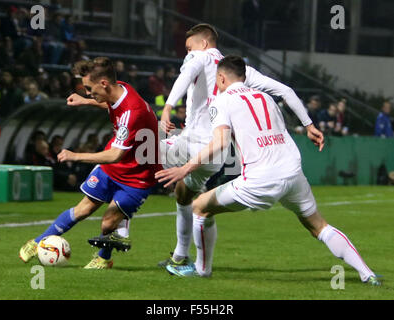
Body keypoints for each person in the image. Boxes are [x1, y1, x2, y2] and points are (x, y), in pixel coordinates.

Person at [156, 55, 381, 286]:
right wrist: (309, 125)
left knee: (199, 208)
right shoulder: (265, 97)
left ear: (221, 78)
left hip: (260, 178)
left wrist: (184, 168)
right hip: (293, 172)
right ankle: (367, 273)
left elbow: (220, 144)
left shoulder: (221, 103)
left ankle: (202, 270)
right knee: (319, 226)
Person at [157, 24, 318, 270]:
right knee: (186, 195)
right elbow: (285, 90)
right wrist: (308, 124)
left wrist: (167, 107)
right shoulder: (241, 72)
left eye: (189, 48)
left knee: (134, 152)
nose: (186, 54)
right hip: (215, 155)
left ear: (203, 44)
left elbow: (185, 76)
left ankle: (119, 230)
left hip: (191, 144)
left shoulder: (199, 56)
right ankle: (181, 255)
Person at [19, 57, 160, 269]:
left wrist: (75, 155)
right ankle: (38, 242)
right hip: (113, 169)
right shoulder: (120, 88)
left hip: (138, 177)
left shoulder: (133, 113)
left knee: (107, 223)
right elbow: (107, 102)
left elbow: (115, 155)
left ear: (103, 83)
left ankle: (104, 258)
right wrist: (85, 101)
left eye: (88, 88)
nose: (87, 92)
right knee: (82, 209)